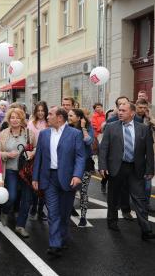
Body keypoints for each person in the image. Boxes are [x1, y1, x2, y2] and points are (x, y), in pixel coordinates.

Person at [32, 106, 85, 257]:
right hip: (49, 179)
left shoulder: (74, 134)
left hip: (68, 179)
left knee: (64, 212)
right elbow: (39, 157)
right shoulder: (44, 134)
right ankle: (55, 244)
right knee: (53, 213)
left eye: (50, 114)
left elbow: (80, 156)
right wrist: (35, 177)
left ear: (60, 118)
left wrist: (77, 175)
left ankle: (64, 236)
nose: (47, 117)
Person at [98, 102, 155, 239]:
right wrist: (102, 166)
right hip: (117, 167)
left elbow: (149, 151)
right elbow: (104, 148)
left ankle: (146, 230)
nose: (120, 112)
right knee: (113, 197)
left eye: (124, 110)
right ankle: (112, 221)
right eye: (120, 110)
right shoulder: (111, 127)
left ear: (132, 113)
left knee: (139, 199)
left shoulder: (143, 129)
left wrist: (150, 169)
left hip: (136, 168)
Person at [0, 108, 36, 237]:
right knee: (12, 196)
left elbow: (36, 147)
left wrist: (32, 152)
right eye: (12, 117)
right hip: (10, 170)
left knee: (26, 199)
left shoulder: (29, 134)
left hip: (26, 171)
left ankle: (20, 226)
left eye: (17, 117)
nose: (15, 120)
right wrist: (7, 154)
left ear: (22, 120)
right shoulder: (3, 134)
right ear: (9, 120)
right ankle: (5, 210)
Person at [68, 109, 95, 227]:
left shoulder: (88, 127)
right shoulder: (67, 128)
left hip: (85, 163)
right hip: (70, 163)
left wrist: (83, 127)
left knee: (83, 191)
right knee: (70, 189)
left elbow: (88, 141)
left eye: (71, 115)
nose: (68, 117)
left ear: (79, 118)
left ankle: (83, 217)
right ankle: (70, 209)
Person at [27, 101, 48, 221]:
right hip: (35, 157)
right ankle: (34, 206)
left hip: (47, 157)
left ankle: (41, 210)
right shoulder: (31, 124)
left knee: (45, 184)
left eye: (42, 110)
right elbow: (29, 141)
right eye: (38, 110)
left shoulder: (49, 123)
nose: (40, 113)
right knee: (34, 183)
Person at [135, 99, 155, 211]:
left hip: (148, 154)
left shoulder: (149, 120)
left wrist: (150, 118)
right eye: (140, 107)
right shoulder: (131, 118)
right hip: (134, 154)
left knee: (147, 185)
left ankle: (146, 203)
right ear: (136, 106)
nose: (142, 110)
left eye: (144, 108)